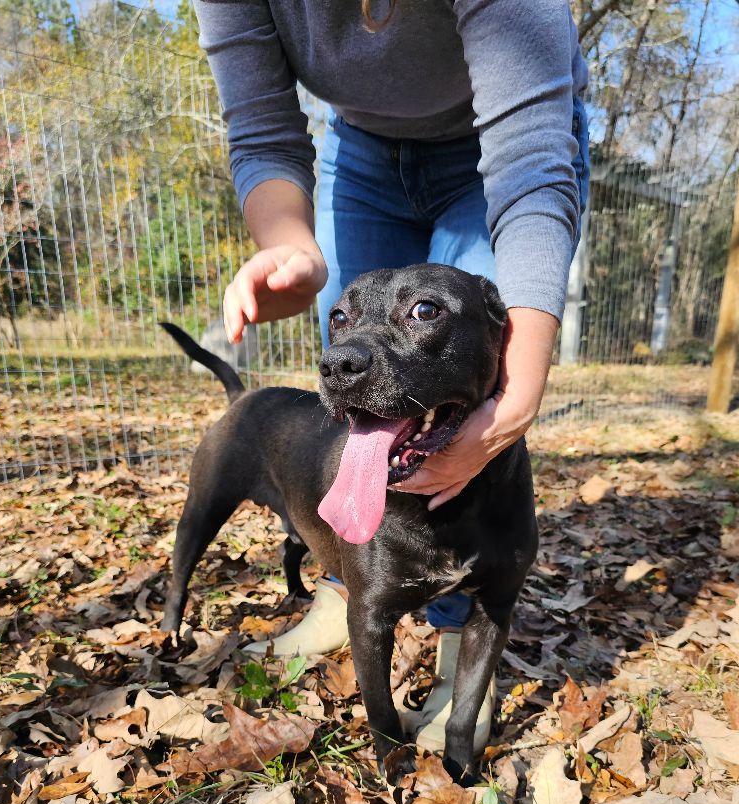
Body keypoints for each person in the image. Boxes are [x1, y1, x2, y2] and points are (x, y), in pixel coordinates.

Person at [194, 0, 590, 752]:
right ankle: (350, 588)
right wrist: (294, 247)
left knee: (464, 407)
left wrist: (519, 395)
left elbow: (534, 165)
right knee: (370, 386)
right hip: (362, 153)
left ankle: (456, 645)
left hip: (502, 148)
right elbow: (264, 129)